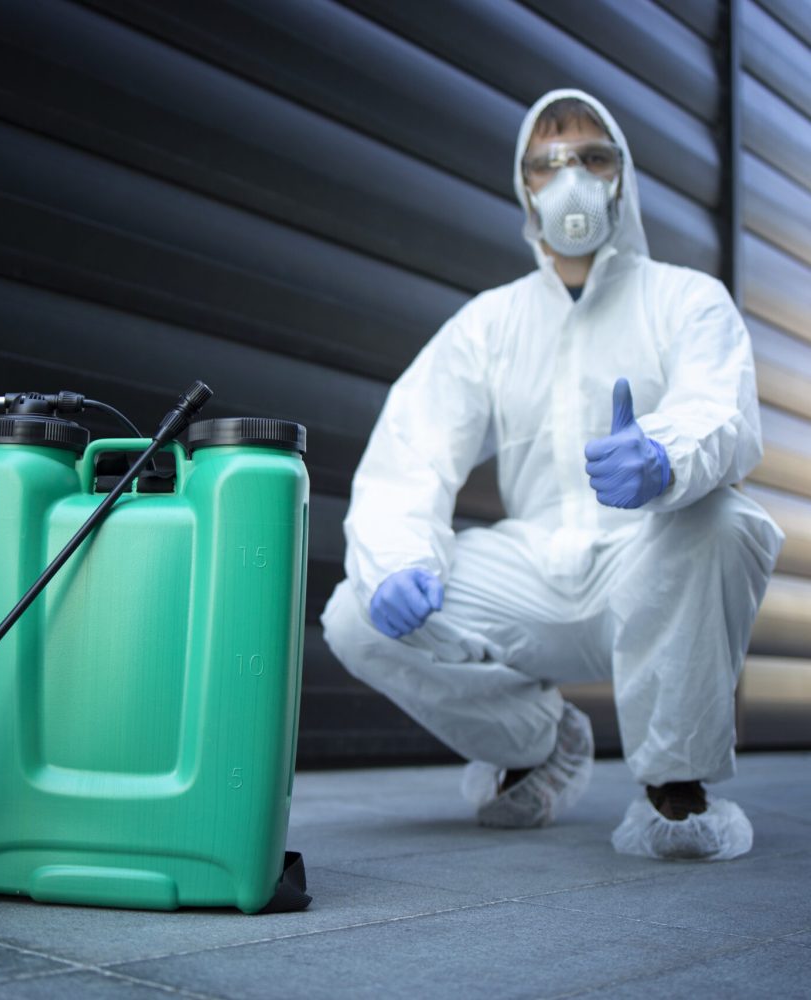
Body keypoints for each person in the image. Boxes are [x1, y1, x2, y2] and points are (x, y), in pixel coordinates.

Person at [321, 89, 784, 861]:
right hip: (533, 577)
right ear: (524, 189)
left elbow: (721, 407)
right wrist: (399, 557)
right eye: (547, 164)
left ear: (621, 179)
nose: (570, 179)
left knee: (724, 521)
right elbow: (414, 449)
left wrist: (665, 454)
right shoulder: (491, 323)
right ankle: (534, 738)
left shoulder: (684, 299)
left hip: (650, 564)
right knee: (355, 611)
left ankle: (676, 785)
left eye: (592, 158)